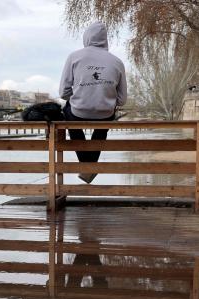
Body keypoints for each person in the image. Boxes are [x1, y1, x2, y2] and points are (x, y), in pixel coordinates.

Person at [59, 22, 128, 184]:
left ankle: (87, 167)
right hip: (105, 113)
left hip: (78, 111)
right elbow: (122, 99)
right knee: (102, 127)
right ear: (105, 40)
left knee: (68, 114)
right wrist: (106, 100)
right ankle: (88, 169)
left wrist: (80, 96)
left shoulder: (74, 57)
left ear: (86, 37)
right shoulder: (117, 62)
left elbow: (63, 93)